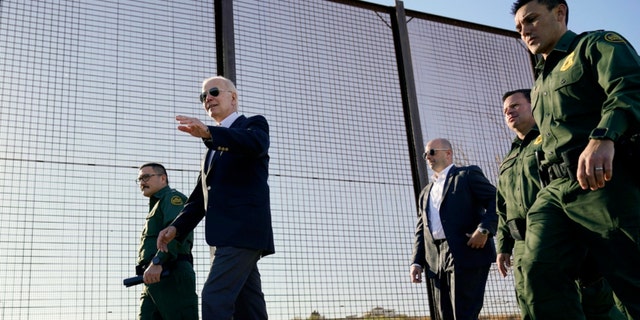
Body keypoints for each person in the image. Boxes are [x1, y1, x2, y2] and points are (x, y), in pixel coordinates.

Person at [511, 0, 640, 318]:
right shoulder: (540, 82)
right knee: (537, 271)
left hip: (603, 182)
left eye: (531, 19)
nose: (525, 30)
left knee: (631, 278)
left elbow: (630, 86)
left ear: (559, 13)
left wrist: (604, 135)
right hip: (555, 192)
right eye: (518, 27)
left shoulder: (594, 45)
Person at [496, 89, 626, 320]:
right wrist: (503, 246)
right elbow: (502, 206)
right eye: (505, 109)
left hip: (559, 233)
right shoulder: (508, 157)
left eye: (515, 106)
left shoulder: (550, 141)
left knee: (590, 299)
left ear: (534, 106)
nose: (509, 112)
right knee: (531, 302)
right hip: (523, 243)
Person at [157, 75, 275, 320]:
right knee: (249, 308)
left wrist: (209, 134)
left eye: (213, 92)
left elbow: (255, 144)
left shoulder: (253, 125)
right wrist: (176, 227)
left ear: (233, 98)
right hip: (227, 237)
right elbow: (200, 198)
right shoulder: (210, 150)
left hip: (243, 232)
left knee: (214, 297)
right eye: (203, 97)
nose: (207, 99)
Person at [410, 138, 497, 320]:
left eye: (432, 152)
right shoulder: (425, 192)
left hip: (466, 250)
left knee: (463, 314)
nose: (428, 157)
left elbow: (496, 199)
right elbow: (421, 229)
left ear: (448, 153)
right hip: (435, 258)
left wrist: (484, 229)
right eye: (426, 154)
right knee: (444, 315)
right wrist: (416, 262)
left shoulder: (467, 175)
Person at [135, 162, 198, 320]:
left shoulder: (172, 199)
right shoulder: (157, 205)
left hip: (171, 272)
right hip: (153, 276)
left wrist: (158, 261)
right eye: (140, 179)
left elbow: (174, 234)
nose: (142, 182)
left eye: (146, 177)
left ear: (163, 178)